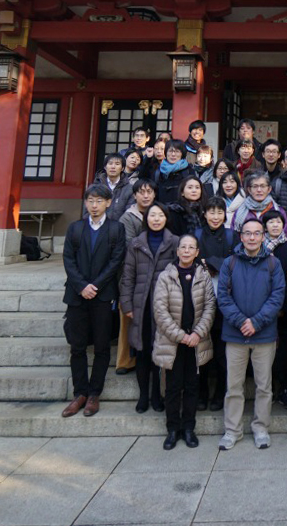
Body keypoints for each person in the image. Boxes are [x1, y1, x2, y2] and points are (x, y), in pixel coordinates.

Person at [217, 218, 286, 451]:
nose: (252, 238)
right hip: (235, 336)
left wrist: (256, 322)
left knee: (264, 386)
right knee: (234, 386)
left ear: (263, 236)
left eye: (257, 233)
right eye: (248, 233)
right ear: (241, 236)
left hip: (264, 335)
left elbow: (277, 297)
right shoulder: (230, 263)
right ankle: (232, 430)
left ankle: (260, 428)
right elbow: (223, 298)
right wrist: (241, 322)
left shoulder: (273, 264)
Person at [60, 183, 126, 418]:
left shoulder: (116, 229)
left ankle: (94, 393)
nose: (94, 205)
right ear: (85, 203)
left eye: (99, 201)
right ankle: (80, 393)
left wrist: (95, 285)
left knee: (101, 346)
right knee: (77, 346)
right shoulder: (75, 228)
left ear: (109, 202)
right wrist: (81, 286)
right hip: (77, 296)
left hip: (103, 295)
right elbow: (68, 259)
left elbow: (116, 261)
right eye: (90, 201)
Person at [153, 233, 215, 449]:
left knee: (192, 386)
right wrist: (181, 336)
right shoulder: (166, 276)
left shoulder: (203, 276)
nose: (187, 251)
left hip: (196, 342)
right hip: (173, 342)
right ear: (177, 251)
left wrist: (197, 333)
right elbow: (160, 311)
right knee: (172, 387)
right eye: (183, 247)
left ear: (197, 252)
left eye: (191, 248)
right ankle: (172, 429)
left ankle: (189, 428)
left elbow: (210, 306)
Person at [120, 203, 179, 414]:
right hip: (141, 305)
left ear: (166, 218)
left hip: (164, 307)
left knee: (159, 352)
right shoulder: (136, 243)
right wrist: (126, 304)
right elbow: (128, 277)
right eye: (152, 215)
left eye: (160, 215)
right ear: (146, 219)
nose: (156, 219)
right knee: (143, 352)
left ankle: (156, 395)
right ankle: (143, 395)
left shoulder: (175, 242)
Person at [194, 196, 236, 410]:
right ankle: (201, 394)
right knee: (201, 348)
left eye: (219, 212)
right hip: (199, 299)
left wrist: (210, 262)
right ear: (205, 214)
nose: (216, 216)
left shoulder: (231, 236)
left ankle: (220, 394)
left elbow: (235, 263)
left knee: (221, 351)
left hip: (224, 300)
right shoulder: (196, 235)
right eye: (211, 212)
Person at [116, 179, 158, 374]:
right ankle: (124, 361)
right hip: (132, 273)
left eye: (149, 192)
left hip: (154, 275)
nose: (146, 195)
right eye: (141, 192)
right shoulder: (128, 217)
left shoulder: (158, 214)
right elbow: (130, 246)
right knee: (127, 319)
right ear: (134, 196)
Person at [261, 208, 287, 410]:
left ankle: (285, 388)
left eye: (279, 222)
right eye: (271, 222)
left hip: (282, 309)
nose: (275, 225)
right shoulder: (257, 246)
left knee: (284, 351)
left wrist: (280, 306)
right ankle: (268, 389)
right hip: (259, 308)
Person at [94, 152, 136, 221]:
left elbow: (129, 213)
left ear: (122, 168)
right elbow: (88, 211)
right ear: (105, 167)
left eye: (117, 164)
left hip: (119, 228)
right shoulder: (96, 186)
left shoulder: (129, 189)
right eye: (110, 163)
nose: (113, 167)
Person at [155, 140, 197, 205]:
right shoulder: (159, 171)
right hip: (163, 211)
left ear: (182, 154)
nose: (173, 154)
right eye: (170, 151)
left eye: (177, 151)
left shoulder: (189, 170)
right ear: (166, 153)